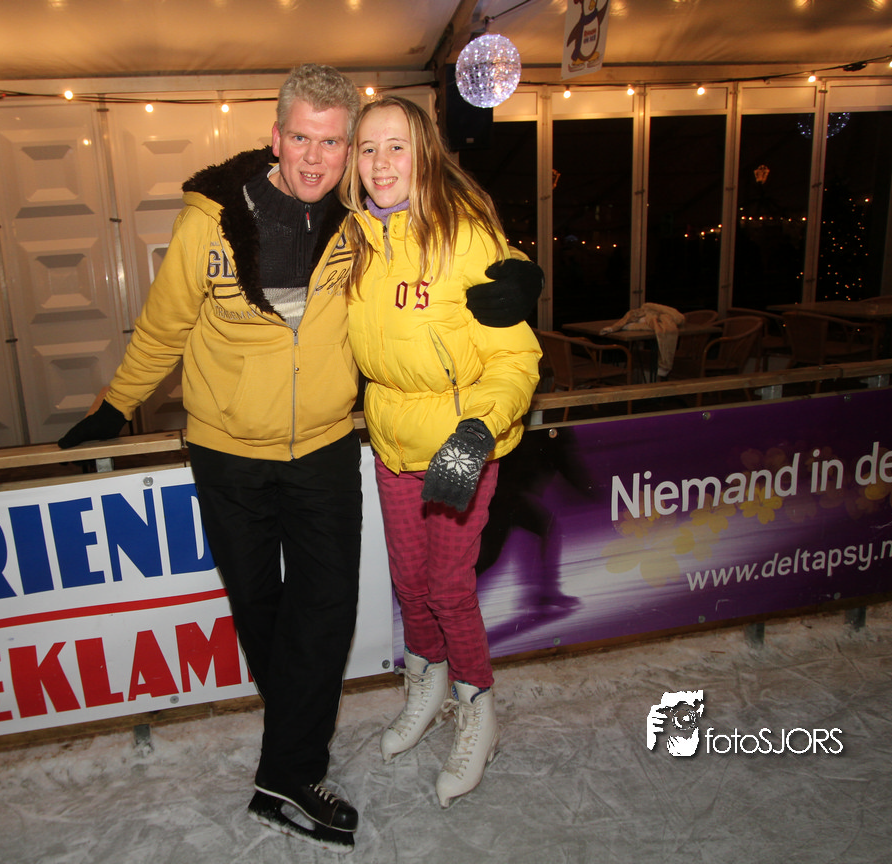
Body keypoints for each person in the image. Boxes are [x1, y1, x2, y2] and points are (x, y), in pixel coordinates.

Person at [57, 67, 538, 848]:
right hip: (230, 453)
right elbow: (164, 325)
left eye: (335, 142)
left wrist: (517, 272)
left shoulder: (355, 225)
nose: (319, 158)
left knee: (330, 610)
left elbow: (447, 242)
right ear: (276, 138)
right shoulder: (216, 221)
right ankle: (294, 765)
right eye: (305, 139)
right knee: (266, 614)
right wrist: (116, 403)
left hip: (325, 450)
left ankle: (296, 771)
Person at [339, 96, 542, 808]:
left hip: (461, 443)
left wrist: (478, 431)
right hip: (393, 442)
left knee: (450, 588)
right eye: (368, 148)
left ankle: (477, 707)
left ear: (424, 154)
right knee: (410, 583)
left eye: (396, 147)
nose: (381, 163)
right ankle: (424, 688)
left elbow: (515, 358)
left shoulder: (466, 237)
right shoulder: (353, 242)